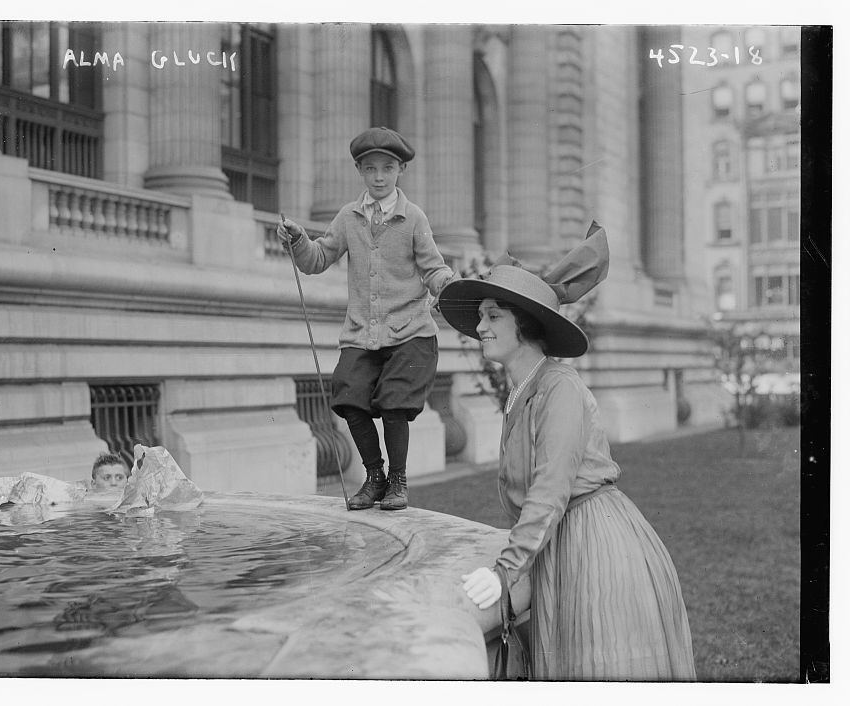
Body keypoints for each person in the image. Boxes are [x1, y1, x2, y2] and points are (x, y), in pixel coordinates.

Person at [439, 224, 696, 681]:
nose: (479, 327)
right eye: (481, 315)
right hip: (561, 540)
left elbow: (551, 489)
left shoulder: (559, 387)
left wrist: (505, 571)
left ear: (525, 323)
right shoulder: (525, 387)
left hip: (595, 542)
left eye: (493, 315)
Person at [277, 126, 457, 511]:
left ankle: (398, 482)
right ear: (360, 170)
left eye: (387, 168)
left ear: (400, 171)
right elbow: (318, 258)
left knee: (394, 402)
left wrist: (449, 285)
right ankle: (374, 477)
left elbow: (433, 268)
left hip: (409, 331)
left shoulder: (414, 219)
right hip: (362, 332)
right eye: (370, 169)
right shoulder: (348, 217)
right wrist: (297, 240)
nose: (379, 177)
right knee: (349, 396)